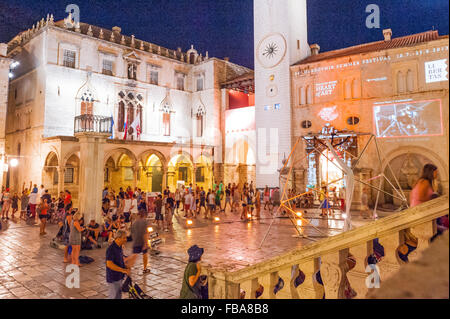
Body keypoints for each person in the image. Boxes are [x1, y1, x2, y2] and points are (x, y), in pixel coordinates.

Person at [106, 230, 136, 299]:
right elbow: (109, 264)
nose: (126, 240)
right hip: (113, 277)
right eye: (124, 238)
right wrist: (123, 270)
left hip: (119, 276)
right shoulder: (111, 249)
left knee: (118, 296)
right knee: (113, 296)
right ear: (118, 238)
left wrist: (126, 267)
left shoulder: (119, 247)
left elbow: (120, 260)